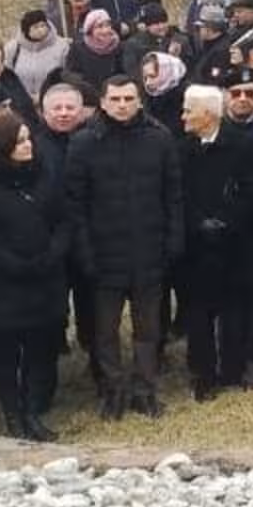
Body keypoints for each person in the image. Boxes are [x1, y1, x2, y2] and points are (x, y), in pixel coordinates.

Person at [64, 72, 183, 418]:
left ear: (139, 100)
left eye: (128, 99)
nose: (122, 105)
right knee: (105, 332)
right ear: (102, 102)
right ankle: (113, 390)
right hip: (104, 256)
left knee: (149, 330)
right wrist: (85, 253)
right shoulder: (83, 142)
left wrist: (173, 241)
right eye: (114, 99)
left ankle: (145, 389)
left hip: (149, 251)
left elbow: (173, 196)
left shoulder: (160, 138)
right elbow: (75, 205)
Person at [0, 112, 66, 442]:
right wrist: (14, 264)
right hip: (4, 284)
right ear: (3, 146)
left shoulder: (44, 175)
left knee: (39, 352)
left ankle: (32, 411)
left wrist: (51, 254)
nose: (27, 146)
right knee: (7, 355)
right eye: (19, 141)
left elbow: (63, 220)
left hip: (44, 278)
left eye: (28, 139)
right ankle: (12, 415)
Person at [179, 83, 253, 401]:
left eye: (188, 111)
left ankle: (234, 368)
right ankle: (203, 374)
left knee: (235, 309)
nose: (183, 116)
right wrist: (198, 222)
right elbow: (179, 194)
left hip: (234, 242)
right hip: (196, 245)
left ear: (208, 114)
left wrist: (226, 220)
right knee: (199, 313)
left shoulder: (243, 145)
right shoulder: (182, 149)